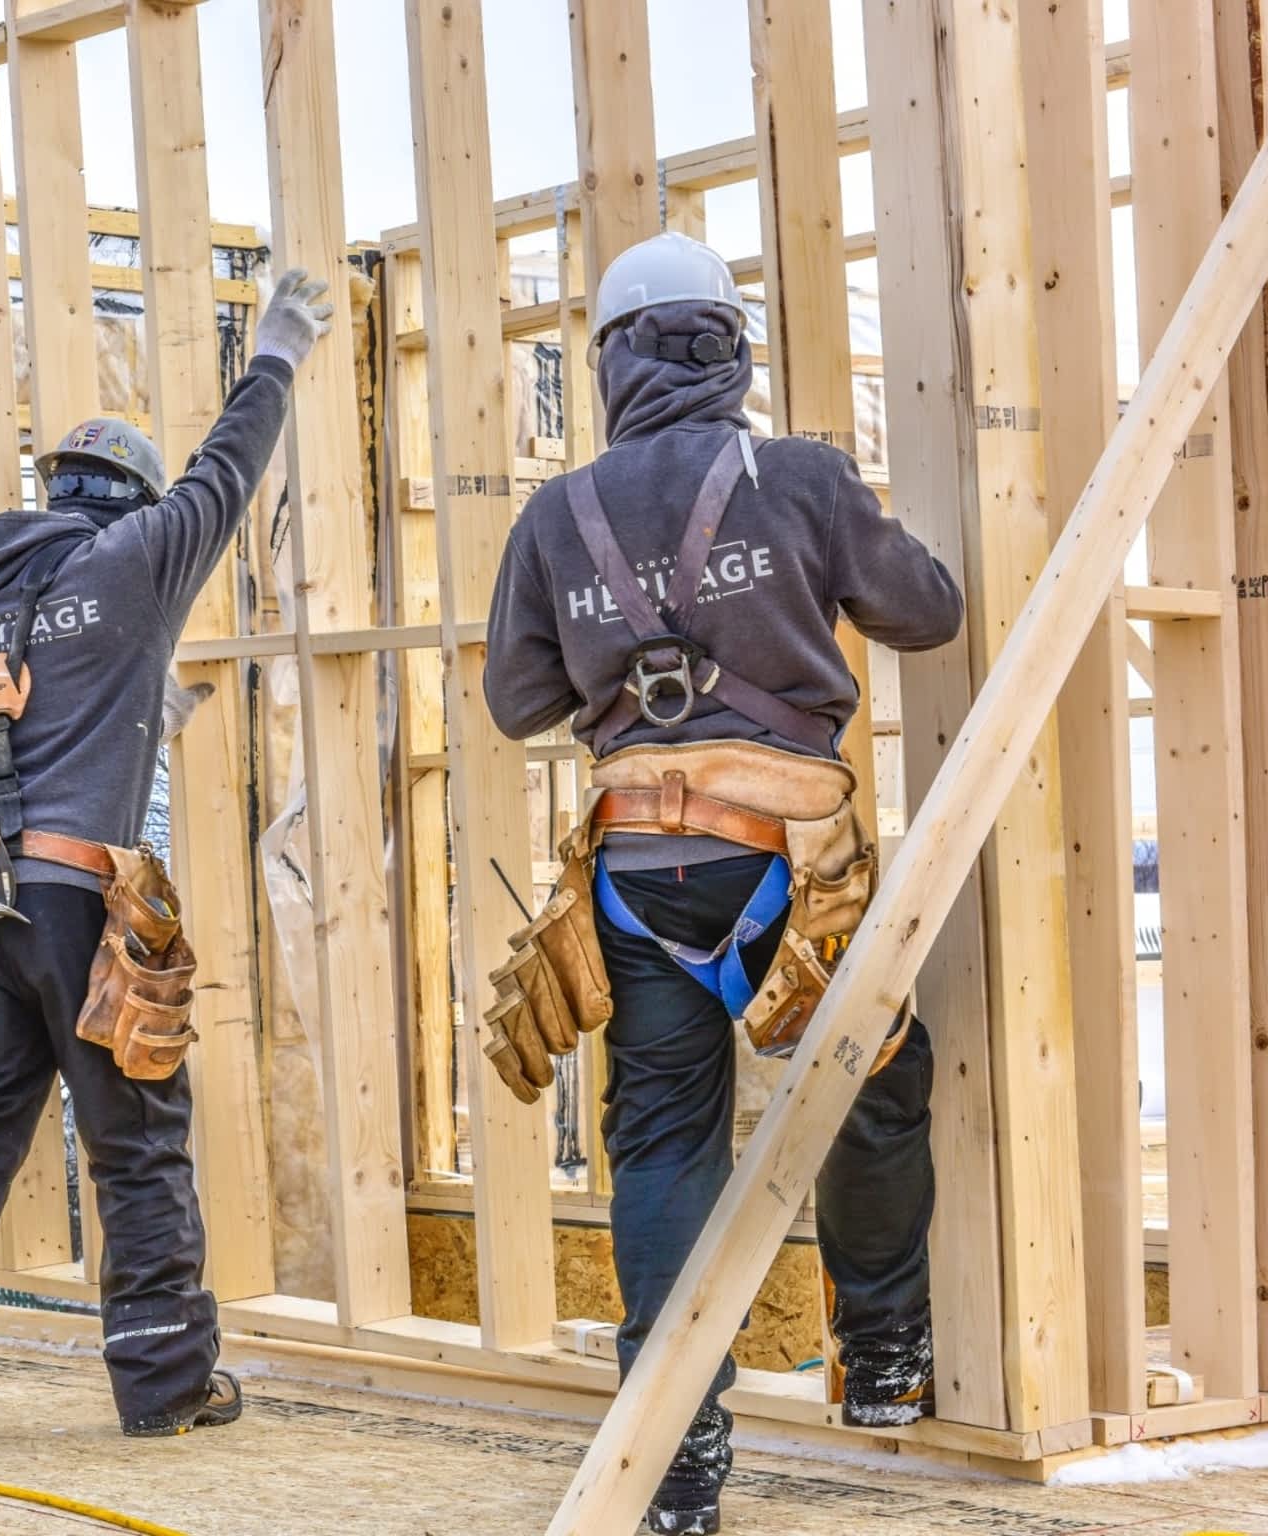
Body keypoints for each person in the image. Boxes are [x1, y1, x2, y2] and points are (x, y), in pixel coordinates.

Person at [481, 234, 961, 1535]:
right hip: (785, 868)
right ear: (731, 350)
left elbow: (518, 699)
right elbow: (928, 610)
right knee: (873, 1080)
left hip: (641, 876)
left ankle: (673, 1453)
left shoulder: (556, 514)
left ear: (613, 362)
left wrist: (611, 642)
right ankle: (887, 1360)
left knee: (664, 1140)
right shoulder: (796, 479)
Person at [0, 269, 335, 1442]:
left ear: (56, 491)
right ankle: (163, 1384)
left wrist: (138, 709)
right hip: (70, 903)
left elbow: (36, 702)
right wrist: (275, 355)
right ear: (131, 503)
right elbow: (223, 480)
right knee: (135, 1142)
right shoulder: (135, 559)